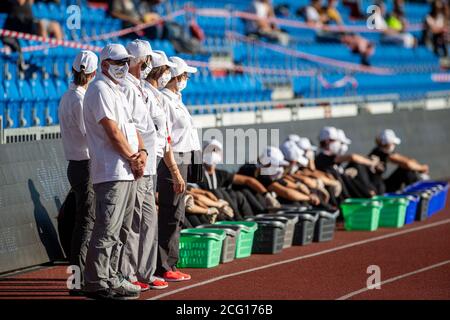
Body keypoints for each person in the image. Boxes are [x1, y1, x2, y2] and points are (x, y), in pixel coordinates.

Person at [83, 43, 146, 300]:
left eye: (125, 62)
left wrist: (142, 154)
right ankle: (97, 281)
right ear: (105, 64)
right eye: (118, 62)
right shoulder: (99, 89)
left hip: (125, 169)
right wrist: (134, 157)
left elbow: (132, 128)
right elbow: (112, 131)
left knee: (120, 229)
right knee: (107, 228)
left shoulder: (117, 90)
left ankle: (112, 276)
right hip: (112, 170)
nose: (123, 66)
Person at [119, 39, 169, 291]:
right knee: (135, 223)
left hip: (150, 163)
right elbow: (130, 125)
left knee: (148, 221)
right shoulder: (127, 88)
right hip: (139, 164)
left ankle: (145, 272)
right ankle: (129, 273)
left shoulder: (139, 87)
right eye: (147, 60)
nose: (150, 64)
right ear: (140, 61)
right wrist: (138, 154)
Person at [156, 56, 200, 282]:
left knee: (177, 213)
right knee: (171, 213)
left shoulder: (175, 98)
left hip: (184, 158)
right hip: (173, 160)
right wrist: (174, 170)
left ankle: (169, 262)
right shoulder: (164, 99)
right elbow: (167, 139)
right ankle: (164, 265)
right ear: (175, 77)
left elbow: (188, 134)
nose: (186, 79)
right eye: (184, 75)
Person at [58, 50, 97, 296]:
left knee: (83, 221)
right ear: (92, 74)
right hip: (84, 164)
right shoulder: (80, 100)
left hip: (75, 163)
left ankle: (79, 277)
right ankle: (78, 278)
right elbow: (89, 134)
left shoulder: (66, 96)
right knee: (86, 222)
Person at [199, 139, 281, 217]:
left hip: (224, 207)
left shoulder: (221, 174)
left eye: (216, 151)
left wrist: (266, 195)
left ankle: (254, 219)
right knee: (221, 192)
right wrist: (216, 204)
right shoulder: (198, 175)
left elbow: (248, 180)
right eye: (210, 151)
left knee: (242, 193)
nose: (213, 154)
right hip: (208, 207)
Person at [142, 50, 185, 195]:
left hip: (157, 159)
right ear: (158, 71)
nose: (168, 75)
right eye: (167, 70)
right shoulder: (144, 95)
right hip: (147, 161)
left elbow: (164, 137)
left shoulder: (157, 96)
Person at [238, 146, 320, 206]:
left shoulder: (263, 169)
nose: (280, 169)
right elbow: (286, 193)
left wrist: (298, 186)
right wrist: (309, 198)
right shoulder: (258, 171)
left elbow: (283, 182)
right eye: (278, 165)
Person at [315, 126, 378, 198]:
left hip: (345, 193)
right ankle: (369, 193)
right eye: (335, 141)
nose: (338, 144)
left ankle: (369, 193)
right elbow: (352, 157)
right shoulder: (323, 158)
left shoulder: (330, 158)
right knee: (356, 165)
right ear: (327, 141)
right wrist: (372, 163)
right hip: (341, 198)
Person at [368, 129, 429, 193]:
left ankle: (416, 189)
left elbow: (406, 161)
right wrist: (423, 168)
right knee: (406, 170)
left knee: (406, 168)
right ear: (388, 144)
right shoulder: (382, 152)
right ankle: (415, 191)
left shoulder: (380, 150)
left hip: (379, 185)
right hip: (377, 189)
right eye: (393, 144)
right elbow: (408, 164)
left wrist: (416, 165)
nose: (394, 145)